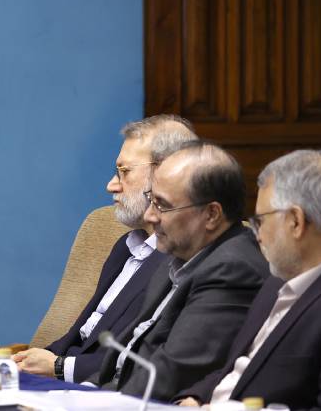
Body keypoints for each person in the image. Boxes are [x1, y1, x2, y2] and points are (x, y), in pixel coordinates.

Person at [175, 150, 321, 410]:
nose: (257, 234)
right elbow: (239, 368)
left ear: (296, 221)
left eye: (260, 221)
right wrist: (196, 398)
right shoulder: (278, 281)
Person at [13, 115, 197, 383]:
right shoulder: (125, 246)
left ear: (167, 173)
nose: (111, 185)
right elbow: (83, 337)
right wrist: (27, 361)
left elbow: (140, 358)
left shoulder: (183, 258)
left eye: (125, 171)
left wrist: (59, 366)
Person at [90, 141, 268, 401]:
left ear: (211, 215)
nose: (150, 216)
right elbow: (128, 358)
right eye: (151, 199)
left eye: (162, 204)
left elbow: (170, 374)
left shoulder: (233, 271)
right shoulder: (178, 251)